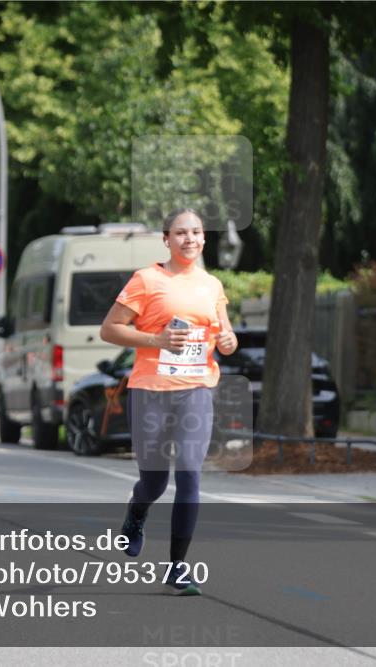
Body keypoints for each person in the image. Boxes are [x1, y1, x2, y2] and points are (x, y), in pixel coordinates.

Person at [100, 208, 238, 596]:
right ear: (166, 239)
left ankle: (178, 567)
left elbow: (224, 335)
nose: (189, 239)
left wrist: (228, 341)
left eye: (195, 232)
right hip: (151, 392)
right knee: (155, 482)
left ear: (204, 239)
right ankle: (137, 510)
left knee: (190, 474)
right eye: (180, 233)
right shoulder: (147, 279)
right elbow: (109, 329)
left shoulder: (212, 285)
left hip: (196, 389)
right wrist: (156, 341)